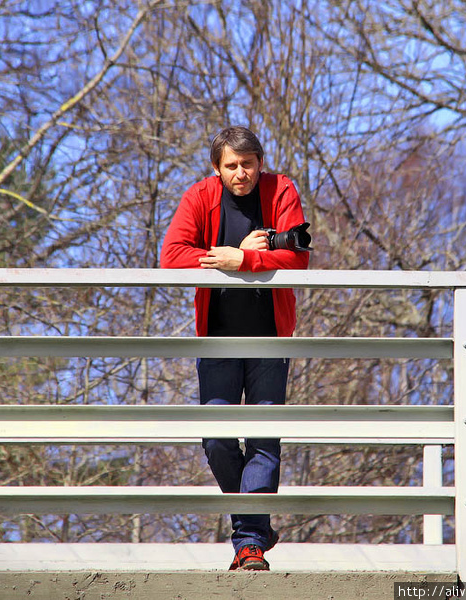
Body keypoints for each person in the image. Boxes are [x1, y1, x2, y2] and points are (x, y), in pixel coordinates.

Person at [160, 126, 310, 571]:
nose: (240, 174)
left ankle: (249, 547)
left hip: (269, 337)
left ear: (259, 162)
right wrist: (224, 254)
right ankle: (256, 524)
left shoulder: (281, 189)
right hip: (219, 337)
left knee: (264, 442)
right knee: (216, 439)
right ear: (216, 167)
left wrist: (245, 260)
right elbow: (172, 256)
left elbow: (298, 257)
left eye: (247, 164)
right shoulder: (200, 196)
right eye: (231, 166)